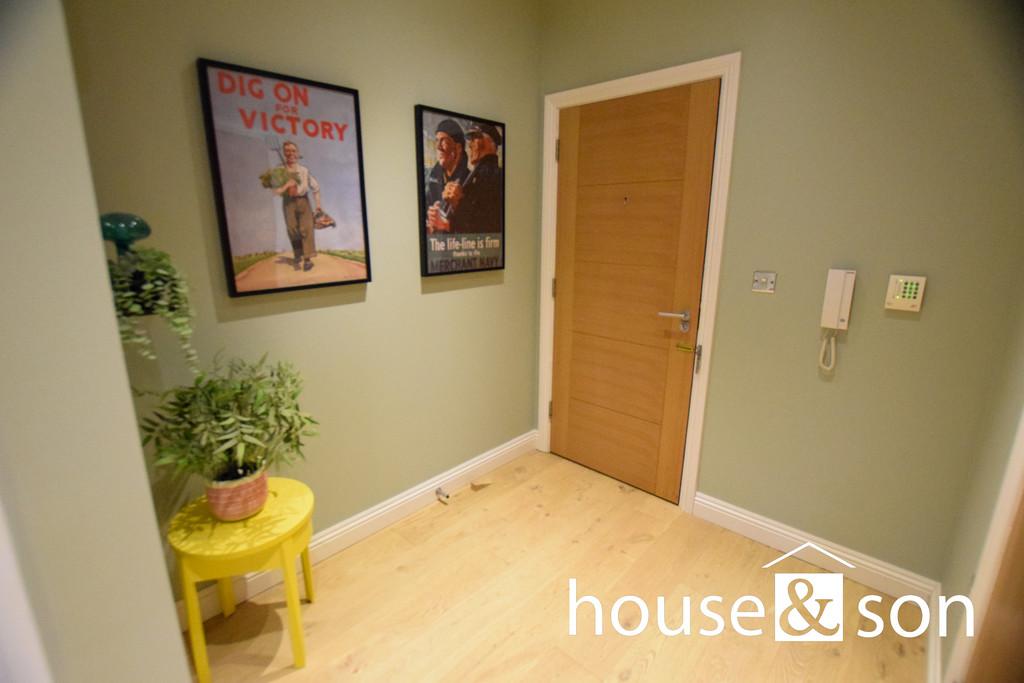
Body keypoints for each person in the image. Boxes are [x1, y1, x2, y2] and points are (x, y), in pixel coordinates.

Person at [442, 122, 503, 235]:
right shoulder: (475, 175)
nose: (470, 145)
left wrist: (458, 203)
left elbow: (485, 224)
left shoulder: (490, 176)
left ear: (489, 142)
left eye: (474, 138)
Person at [270, 140, 322, 271]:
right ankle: (298, 254)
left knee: (307, 229)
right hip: (288, 202)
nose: (290, 153)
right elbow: (275, 191)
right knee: (292, 229)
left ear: (297, 153)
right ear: (284, 153)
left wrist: (318, 205)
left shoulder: (304, 170)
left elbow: (316, 187)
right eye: (287, 151)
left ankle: (307, 259)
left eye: (293, 151)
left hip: (303, 201)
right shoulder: (279, 170)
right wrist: (286, 186)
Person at [424, 119, 469, 236]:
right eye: (437, 141)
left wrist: (446, 224)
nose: (438, 147)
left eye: (444, 141)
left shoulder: (471, 182)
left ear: (458, 148)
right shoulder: (431, 178)